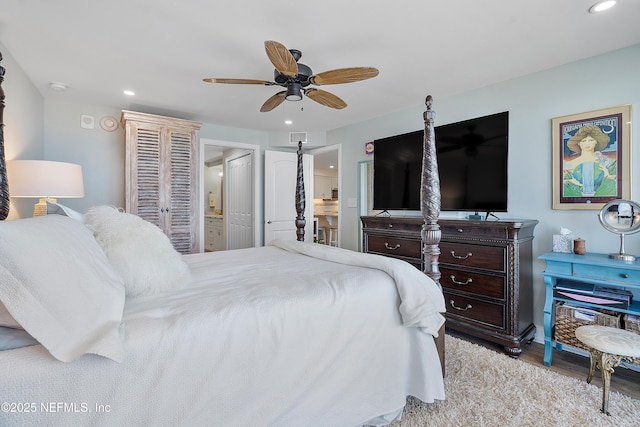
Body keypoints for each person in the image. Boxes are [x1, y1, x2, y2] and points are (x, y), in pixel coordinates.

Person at [562, 125, 615, 197]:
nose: (587, 143)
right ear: (578, 143)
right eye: (583, 141)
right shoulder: (569, 164)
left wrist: (608, 177)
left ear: (596, 141)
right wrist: (570, 182)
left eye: (591, 140)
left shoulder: (607, 162)